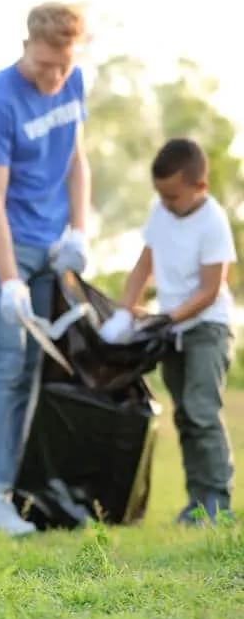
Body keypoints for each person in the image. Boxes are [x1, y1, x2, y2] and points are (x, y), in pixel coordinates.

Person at [0, 2, 91, 535]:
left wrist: (80, 231)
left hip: (51, 245)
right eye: (44, 67)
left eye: (62, 66)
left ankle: (22, 490)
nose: (54, 77)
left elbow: (77, 160)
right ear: (26, 48)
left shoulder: (73, 83)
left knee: (41, 369)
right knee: (4, 366)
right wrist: (9, 277)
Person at [99, 139, 236, 525]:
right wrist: (126, 313)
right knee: (184, 417)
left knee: (201, 411)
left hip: (207, 327)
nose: (165, 203)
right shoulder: (161, 214)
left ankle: (216, 503)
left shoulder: (212, 222)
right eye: (160, 195)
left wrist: (167, 317)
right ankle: (198, 502)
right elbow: (143, 268)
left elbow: (210, 290)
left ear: (199, 188)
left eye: (173, 196)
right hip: (172, 330)